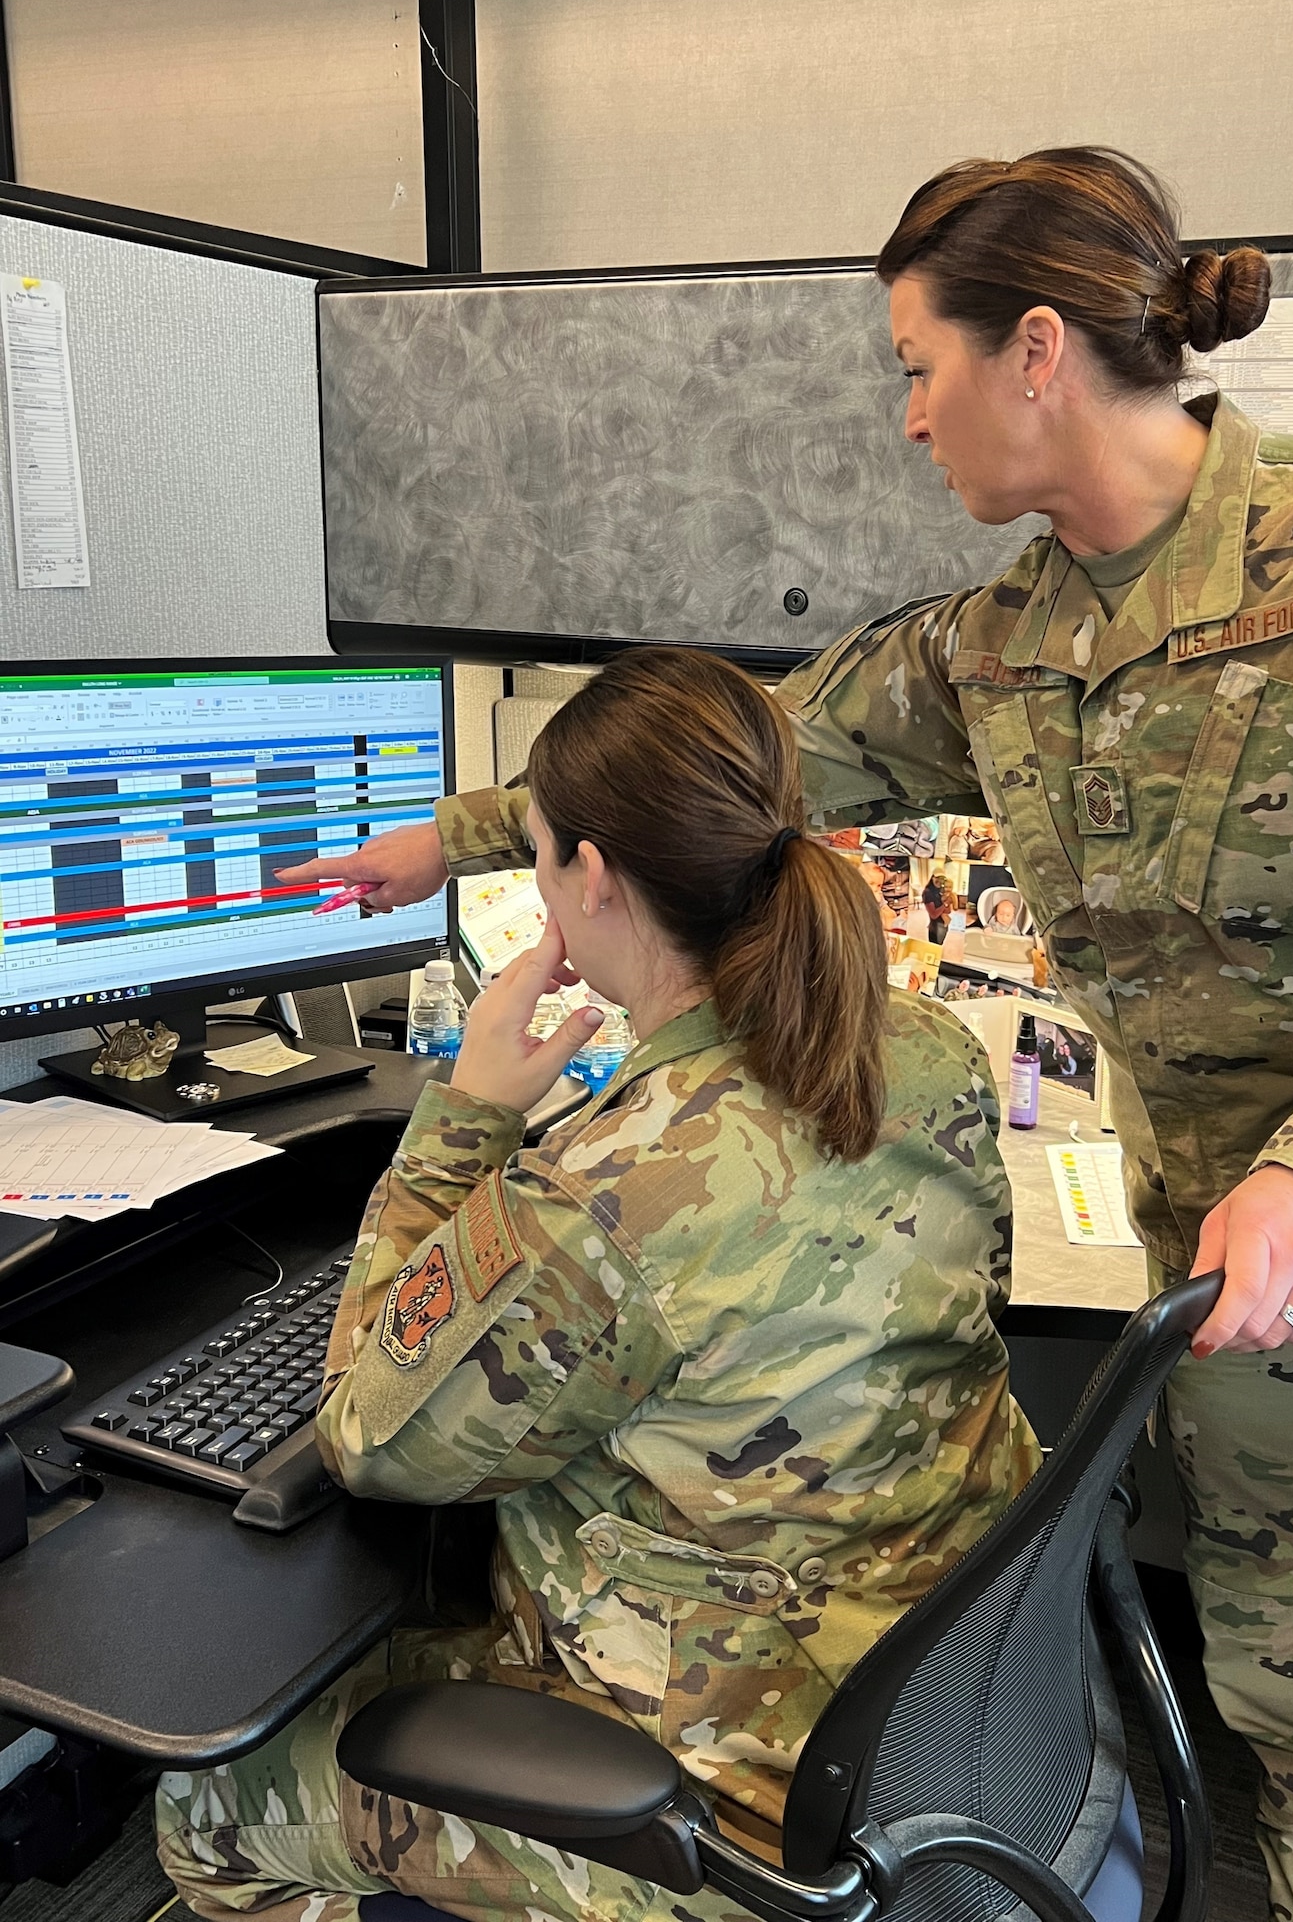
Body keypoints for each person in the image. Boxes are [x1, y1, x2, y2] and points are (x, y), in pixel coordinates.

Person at [291, 148, 1293, 1922]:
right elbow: (744, 768)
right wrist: (456, 835)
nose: (908, 422)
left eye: (915, 367)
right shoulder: (999, 638)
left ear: (1033, 354)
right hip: (1225, 1267)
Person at [162, 647, 1040, 1922]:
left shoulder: (607, 1193)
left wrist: (463, 1117)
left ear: (590, 875)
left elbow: (364, 1425)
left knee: (206, 1799)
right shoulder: (925, 1049)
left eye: (534, 849)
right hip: (935, 1704)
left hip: (720, 1799)